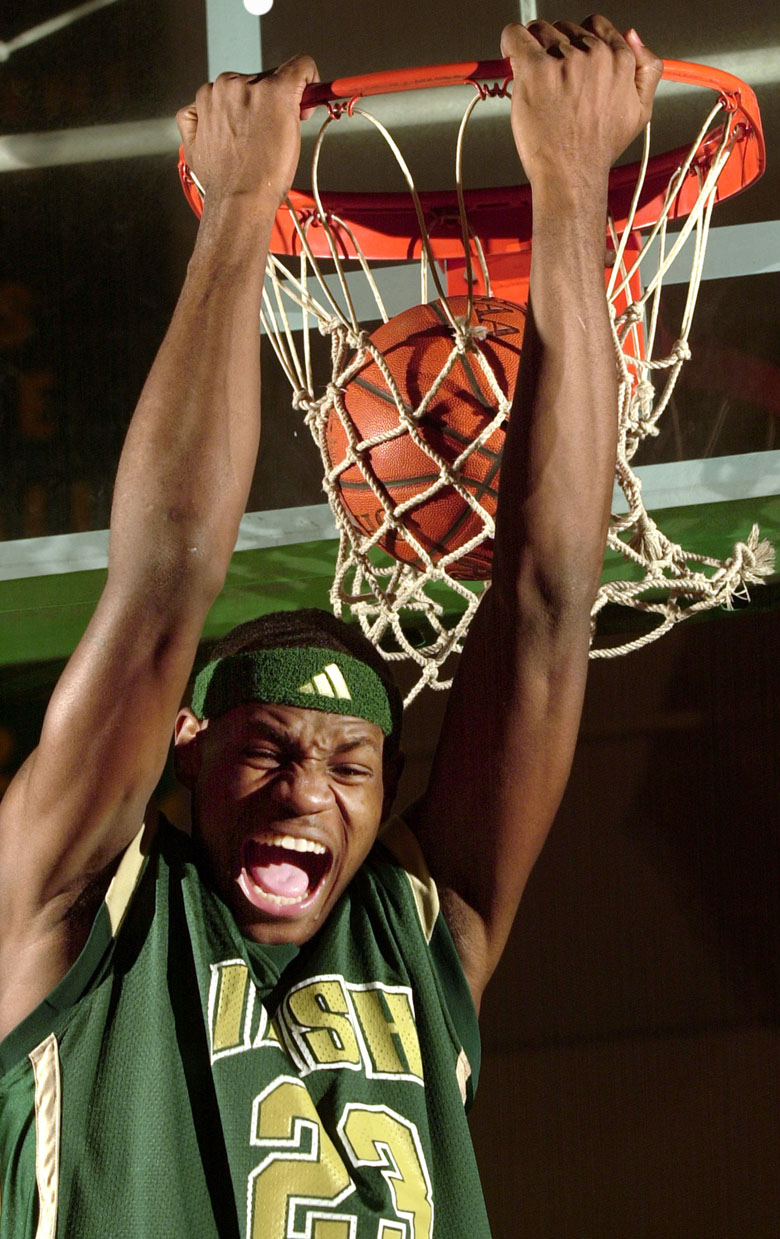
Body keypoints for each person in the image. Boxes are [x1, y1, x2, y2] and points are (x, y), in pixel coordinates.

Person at [0, 17, 662, 1238]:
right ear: (184, 749)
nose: (310, 788)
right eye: (266, 748)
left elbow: (544, 611)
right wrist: (241, 206)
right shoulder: (83, 900)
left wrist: (576, 187)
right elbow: (156, 604)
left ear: (387, 789)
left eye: (349, 764)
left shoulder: (423, 927)